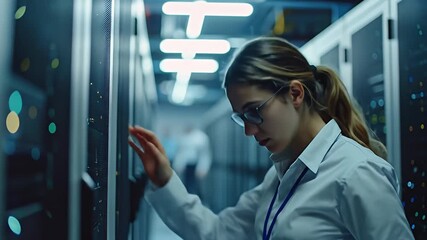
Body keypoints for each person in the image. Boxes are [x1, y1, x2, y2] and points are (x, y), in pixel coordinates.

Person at [128, 36, 414, 240]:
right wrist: (164, 179)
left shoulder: (356, 173)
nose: (248, 130)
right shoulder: (281, 176)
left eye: (254, 111)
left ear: (296, 93)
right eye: (241, 116)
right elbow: (218, 233)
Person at [173, 126, 212, 198]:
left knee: (197, 187)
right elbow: (180, 154)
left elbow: (205, 155)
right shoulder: (183, 138)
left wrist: (203, 168)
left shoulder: (201, 138)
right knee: (186, 186)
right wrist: (178, 166)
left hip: (197, 166)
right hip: (186, 167)